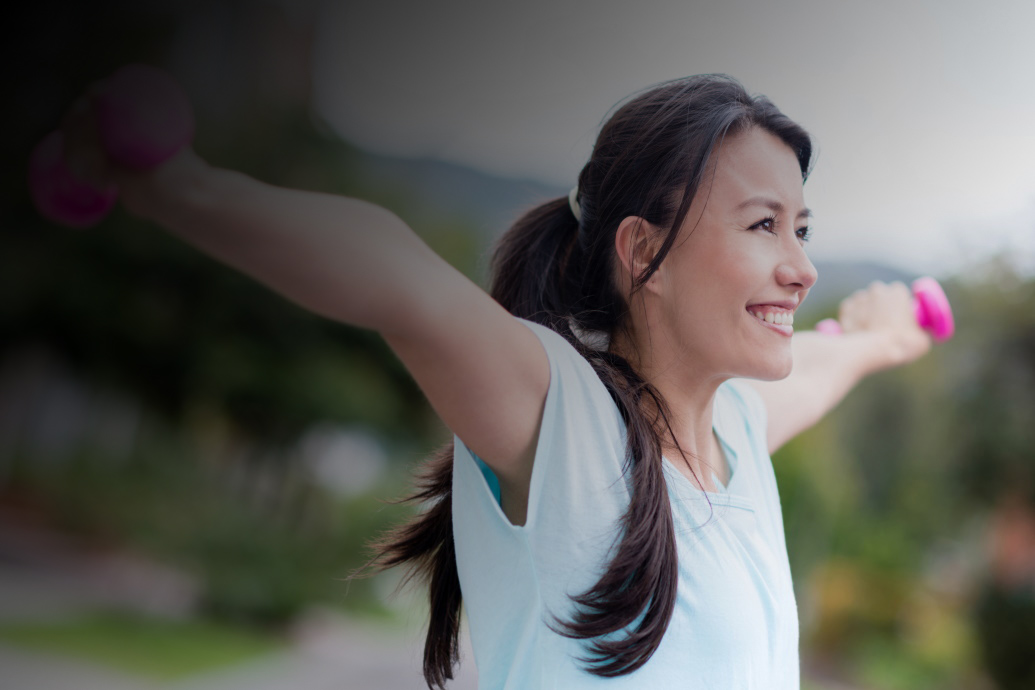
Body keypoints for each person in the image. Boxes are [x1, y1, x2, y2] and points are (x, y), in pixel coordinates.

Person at [58, 73, 932, 689]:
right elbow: (397, 277)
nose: (800, 267)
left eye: (803, 229)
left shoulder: (733, 429)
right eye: (763, 225)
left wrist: (878, 341)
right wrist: (175, 186)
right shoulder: (561, 418)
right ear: (643, 253)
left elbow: (820, 364)